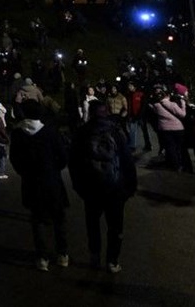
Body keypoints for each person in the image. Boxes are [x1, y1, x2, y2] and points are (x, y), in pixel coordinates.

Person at [68, 100, 137, 273]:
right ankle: (112, 261)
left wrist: (79, 186)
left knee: (93, 224)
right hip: (115, 187)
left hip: (91, 188)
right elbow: (127, 160)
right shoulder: (115, 132)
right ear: (106, 112)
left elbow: (73, 162)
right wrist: (130, 186)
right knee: (115, 226)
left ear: (90, 113)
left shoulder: (82, 132)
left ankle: (94, 256)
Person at [9, 100, 70, 271]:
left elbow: (15, 159)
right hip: (52, 180)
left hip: (31, 182)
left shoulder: (18, 133)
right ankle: (62, 253)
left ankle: (42, 256)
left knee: (37, 220)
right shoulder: (50, 132)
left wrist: (25, 173)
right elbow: (63, 157)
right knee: (58, 218)